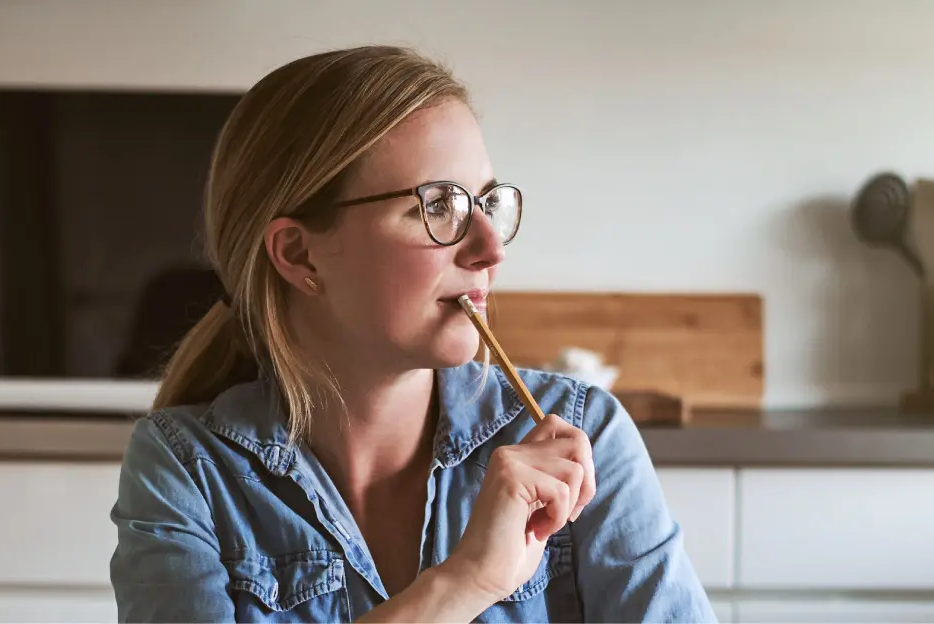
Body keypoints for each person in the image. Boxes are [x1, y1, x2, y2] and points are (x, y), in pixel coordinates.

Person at [108, 45, 715, 623]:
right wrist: (468, 580)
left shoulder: (585, 435)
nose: (490, 248)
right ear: (300, 255)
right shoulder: (186, 470)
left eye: (485, 203)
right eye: (437, 205)